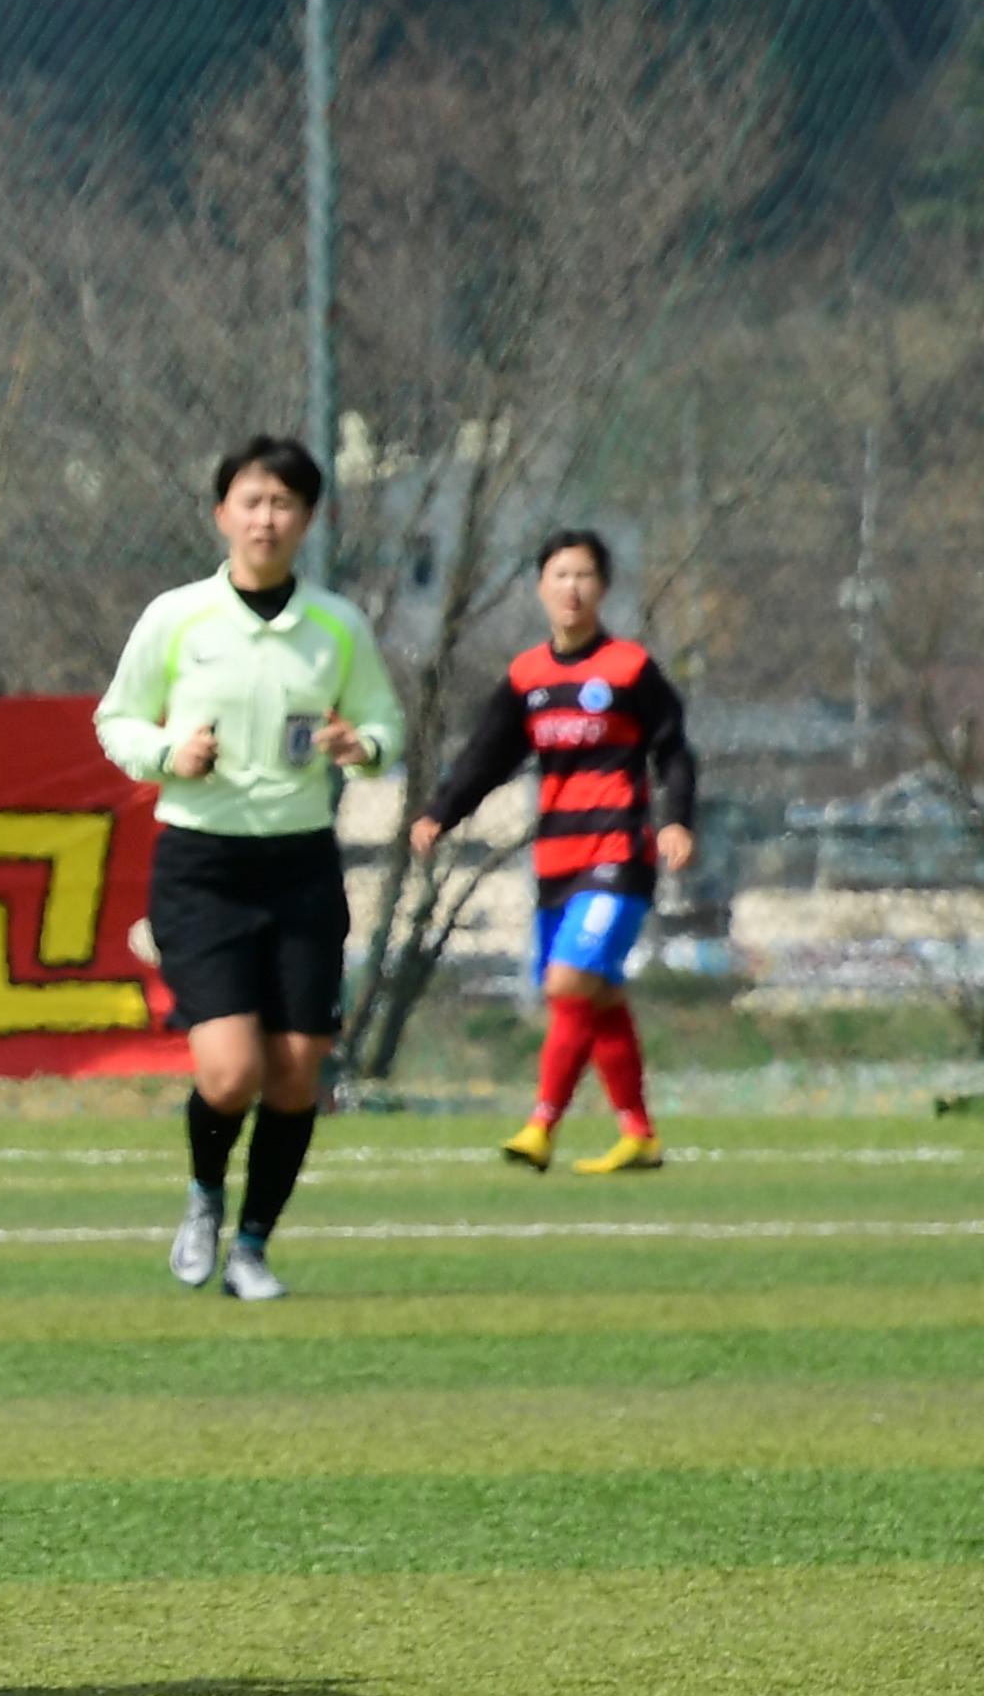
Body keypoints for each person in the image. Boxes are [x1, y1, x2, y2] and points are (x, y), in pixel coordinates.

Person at [95, 435, 404, 1305]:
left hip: (301, 864)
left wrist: (362, 744)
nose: (266, 518)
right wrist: (168, 751)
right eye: (251, 500)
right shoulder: (178, 617)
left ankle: (254, 1246)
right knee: (230, 1073)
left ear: (309, 519)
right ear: (221, 512)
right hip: (202, 864)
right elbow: (117, 720)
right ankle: (203, 1198)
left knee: (299, 1066)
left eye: (284, 504)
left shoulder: (337, 625)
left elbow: (386, 730)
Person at [406, 529, 696, 1176]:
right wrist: (439, 812)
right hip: (556, 862)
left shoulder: (628, 669)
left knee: (568, 985)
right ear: (541, 587)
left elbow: (673, 749)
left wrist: (675, 821)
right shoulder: (527, 677)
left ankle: (541, 1126)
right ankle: (639, 1135)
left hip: (618, 855)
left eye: (585, 576)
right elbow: (487, 756)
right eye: (560, 575)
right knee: (597, 998)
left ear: (603, 587)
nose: (573, 587)